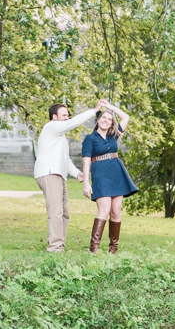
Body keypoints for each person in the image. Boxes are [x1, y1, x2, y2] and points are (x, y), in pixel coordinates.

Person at [34, 100, 107, 252]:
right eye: (64, 115)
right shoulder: (51, 127)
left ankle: (59, 245)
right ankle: (55, 248)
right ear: (54, 117)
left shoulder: (59, 137)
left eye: (68, 115)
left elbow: (65, 161)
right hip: (49, 173)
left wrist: (78, 174)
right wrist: (94, 110)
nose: (67, 118)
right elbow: (73, 123)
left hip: (59, 175)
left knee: (64, 213)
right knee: (56, 212)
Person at [81, 101, 138, 254]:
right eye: (103, 118)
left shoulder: (114, 135)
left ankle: (113, 249)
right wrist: (86, 183)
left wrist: (110, 107)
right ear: (98, 120)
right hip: (100, 174)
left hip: (116, 173)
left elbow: (126, 117)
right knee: (104, 210)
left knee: (116, 212)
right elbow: (86, 161)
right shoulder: (90, 138)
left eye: (109, 119)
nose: (106, 120)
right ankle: (94, 248)